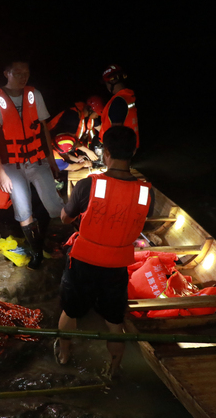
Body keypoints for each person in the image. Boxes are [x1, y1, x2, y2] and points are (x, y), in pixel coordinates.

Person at [55, 125, 153, 380]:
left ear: (106, 152)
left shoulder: (89, 185)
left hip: (83, 263)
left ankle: (64, 354)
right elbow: (142, 219)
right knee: (114, 322)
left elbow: (66, 219)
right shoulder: (146, 192)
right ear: (133, 152)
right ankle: (114, 370)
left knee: (70, 311)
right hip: (116, 268)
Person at [0, 60, 64, 270]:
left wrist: (51, 159)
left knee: (55, 206)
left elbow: (43, 128)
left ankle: (74, 239)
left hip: (37, 160)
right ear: (6, 73)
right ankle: (36, 252)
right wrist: (0, 172)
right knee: (23, 210)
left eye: (26, 73)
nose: (22, 76)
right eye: (17, 72)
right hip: (12, 165)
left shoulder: (34, 95)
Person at [100, 65, 139, 148]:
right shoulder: (129, 96)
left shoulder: (118, 101)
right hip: (129, 146)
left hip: (119, 151)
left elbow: (116, 133)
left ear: (112, 82)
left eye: (106, 83)